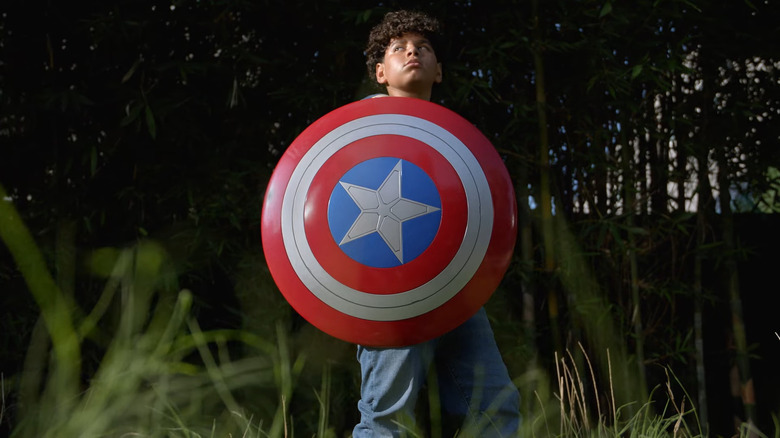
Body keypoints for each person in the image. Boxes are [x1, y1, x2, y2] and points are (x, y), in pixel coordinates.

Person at [352, 10, 521, 438]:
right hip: (390, 292)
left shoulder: (455, 142)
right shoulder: (355, 132)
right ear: (380, 72)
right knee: (387, 420)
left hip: (455, 289)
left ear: (439, 71)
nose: (413, 51)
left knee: (495, 407)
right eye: (399, 48)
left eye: (423, 48)